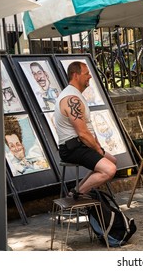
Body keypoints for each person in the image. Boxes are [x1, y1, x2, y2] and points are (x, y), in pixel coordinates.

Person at [54, 61, 117, 196]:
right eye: (86, 73)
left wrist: (97, 145)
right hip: (72, 148)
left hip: (81, 145)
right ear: (75, 75)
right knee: (109, 169)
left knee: (112, 160)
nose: (90, 76)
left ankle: (76, 191)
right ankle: (76, 196)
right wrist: (98, 149)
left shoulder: (76, 95)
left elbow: (87, 128)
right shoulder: (71, 99)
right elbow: (82, 133)